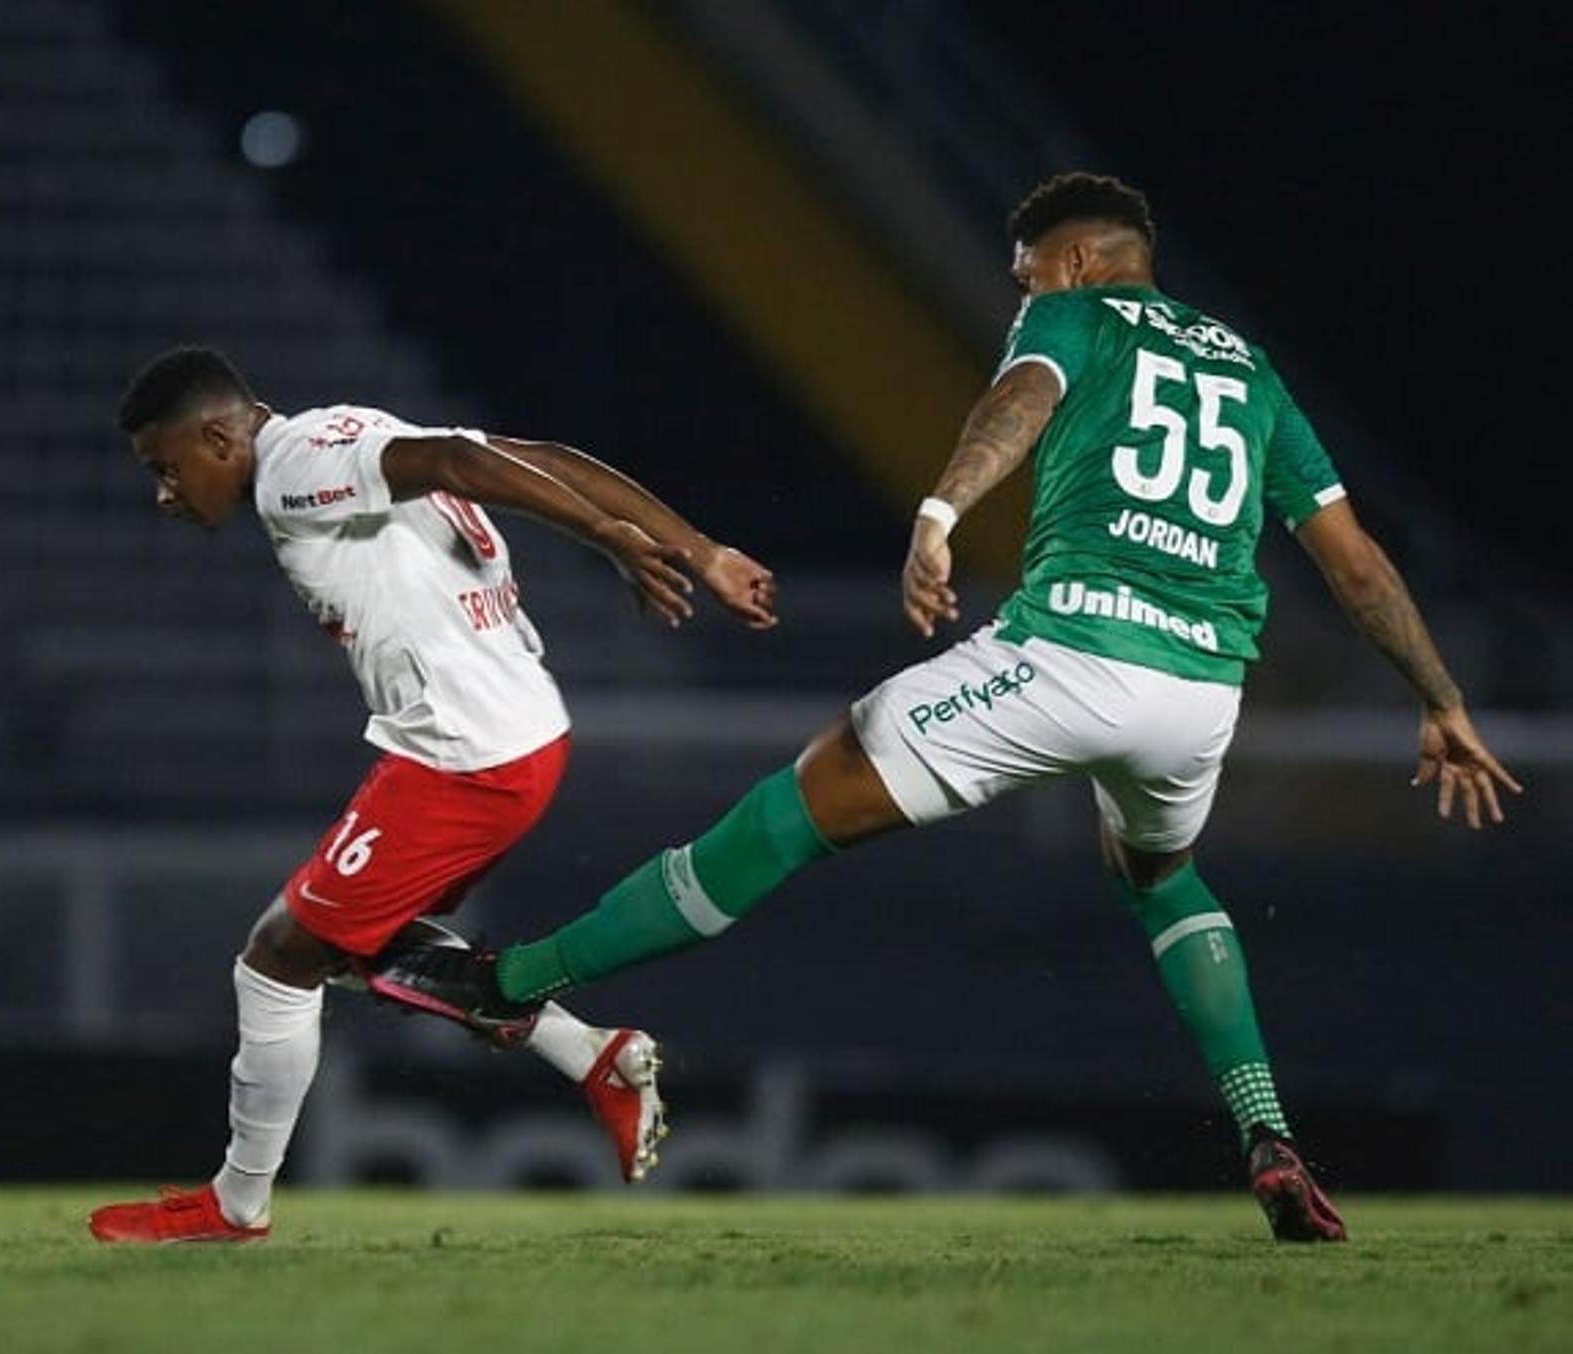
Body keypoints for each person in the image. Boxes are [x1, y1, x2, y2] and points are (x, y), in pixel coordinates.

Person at [369, 172, 1524, 1243]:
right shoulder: (1254, 372)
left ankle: (509, 985)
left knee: (797, 805)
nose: (1020, 294)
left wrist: (938, 512)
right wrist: (1443, 699)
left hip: (1074, 652)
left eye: (1024, 275)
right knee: (1161, 876)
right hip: (1203, 694)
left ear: (1071, 259)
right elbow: (1355, 562)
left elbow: (1016, 403)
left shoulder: (1075, 315)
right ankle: (1267, 1128)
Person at [87, 348, 778, 1243]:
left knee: (275, 961)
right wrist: (702, 548)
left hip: (466, 756)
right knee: (351, 939)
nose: (165, 494)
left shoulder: (293, 469)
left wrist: (617, 541)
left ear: (219, 438)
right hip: (506, 734)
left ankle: (236, 1204)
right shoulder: (349, 428)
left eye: (166, 468)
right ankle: (592, 1057)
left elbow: (464, 463)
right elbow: (542, 455)